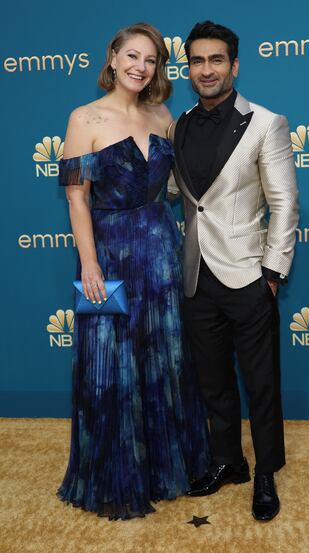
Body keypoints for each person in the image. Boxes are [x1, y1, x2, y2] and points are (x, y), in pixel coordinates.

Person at [57, 22, 209, 521]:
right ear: (114, 56)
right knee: (109, 365)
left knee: (165, 359)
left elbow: (172, 188)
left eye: (151, 60)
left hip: (161, 251)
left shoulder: (163, 113)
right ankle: (115, 477)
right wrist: (90, 262)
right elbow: (76, 198)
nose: (140, 66)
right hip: (110, 255)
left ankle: (167, 470)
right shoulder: (84, 117)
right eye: (133, 56)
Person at [168, 21, 299, 521]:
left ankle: (265, 472)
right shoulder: (177, 125)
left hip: (248, 274)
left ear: (234, 66)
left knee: (262, 382)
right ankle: (229, 462)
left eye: (216, 60)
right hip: (197, 274)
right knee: (213, 380)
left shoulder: (267, 122)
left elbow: (284, 203)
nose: (207, 69)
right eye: (197, 61)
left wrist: (273, 271)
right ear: (189, 68)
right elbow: (185, 199)